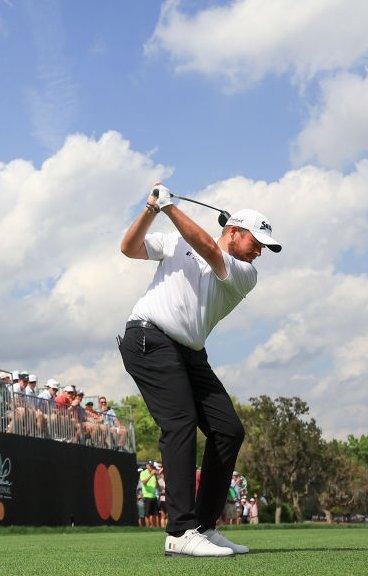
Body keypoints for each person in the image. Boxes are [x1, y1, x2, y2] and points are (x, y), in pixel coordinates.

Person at [118, 182, 281, 557]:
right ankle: (179, 533)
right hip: (149, 339)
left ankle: (204, 527)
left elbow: (208, 249)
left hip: (190, 353)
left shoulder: (245, 273)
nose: (259, 251)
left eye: (264, 247)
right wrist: (151, 210)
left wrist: (171, 207)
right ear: (234, 231)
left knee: (228, 430)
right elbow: (128, 248)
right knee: (180, 422)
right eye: (255, 241)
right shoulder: (176, 243)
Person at [139, 462, 159, 528]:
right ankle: (148, 527)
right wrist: (151, 475)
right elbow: (144, 482)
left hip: (154, 496)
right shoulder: (143, 473)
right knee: (147, 514)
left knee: (155, 514)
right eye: (150, 466)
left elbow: (157, 486)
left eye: (152, 466)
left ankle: (154, 527)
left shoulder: (154, 474)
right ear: (147, 466)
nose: (151, 467)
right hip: (147, 496)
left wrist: (155, 476)